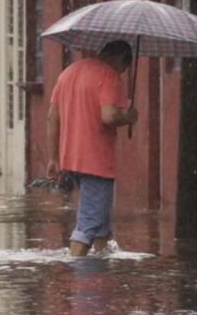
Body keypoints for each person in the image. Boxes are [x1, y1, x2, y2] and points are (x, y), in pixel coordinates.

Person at [46, 40, 138, 256]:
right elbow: (109, 116)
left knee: (100, 226)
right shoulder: (109, 77)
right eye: (124, 67)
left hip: (70, 159)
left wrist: (53, 158)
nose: (123, 73)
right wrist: (129, 116)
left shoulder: (68, 72)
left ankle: (101, 274)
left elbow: (52, 117)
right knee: (87, 227)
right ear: (119, 59)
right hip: (96, 162)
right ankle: (74, 276)